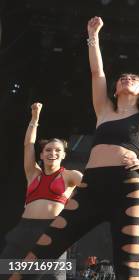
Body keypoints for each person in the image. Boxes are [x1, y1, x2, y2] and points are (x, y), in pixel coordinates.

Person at [24, 17, 139, 280]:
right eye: (122, 78)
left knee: (128, 269)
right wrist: (93, 35)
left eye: (133, 79)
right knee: (39, 252)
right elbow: (97, 72)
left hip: (129, 188)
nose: (125, 79)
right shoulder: (104, 109)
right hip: (92, 188)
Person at [1, 103, 82, 280]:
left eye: (57, 150)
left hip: (51, 231)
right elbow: (28, 145)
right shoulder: (33, 173)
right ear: (41, 155)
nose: (52, 153)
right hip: (23, 230)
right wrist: (34, 119)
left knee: (49, 277)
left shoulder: (71, 175)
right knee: (6, 273)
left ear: (63, 155)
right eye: (48, 150)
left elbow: (93, 186)